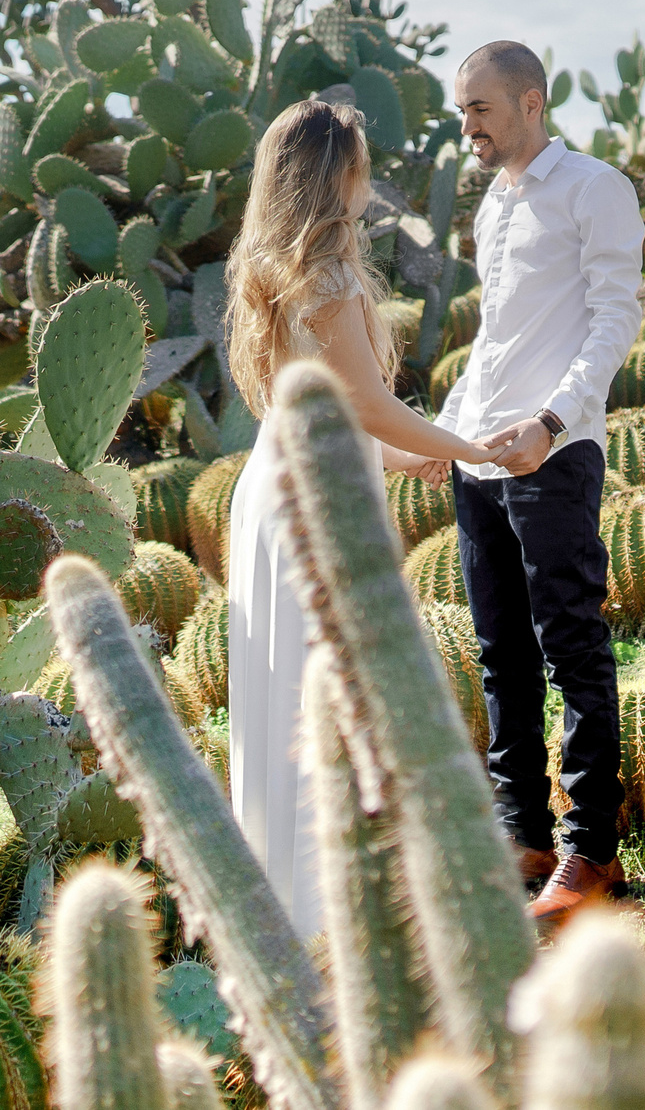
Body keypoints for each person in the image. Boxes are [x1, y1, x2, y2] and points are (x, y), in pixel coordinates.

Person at [223, 97, 505, 934]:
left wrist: (403, 455)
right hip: (318, 501)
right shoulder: (328, 277)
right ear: (334, 174)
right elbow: (371, 404)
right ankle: (336, 920)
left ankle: (286, 913)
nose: (368, 181)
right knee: (332, 697)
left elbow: (319, 408)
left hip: (275, 482)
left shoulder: (269, 267)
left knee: (282, 693)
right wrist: (471, 448)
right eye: (360, 164)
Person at [426, 39, 644, 931]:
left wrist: (550, 425)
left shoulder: (594, 187)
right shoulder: (493, 205)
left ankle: (589, 848)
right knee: (500, 652)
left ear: (530, 101)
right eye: (461, 111)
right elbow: (497, 337)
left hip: (552, 455)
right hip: (479, 455)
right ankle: (519, 832)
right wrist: (444, 431)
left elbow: (614, 316)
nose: (467, 127)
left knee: (572, 645)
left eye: (479, 108)